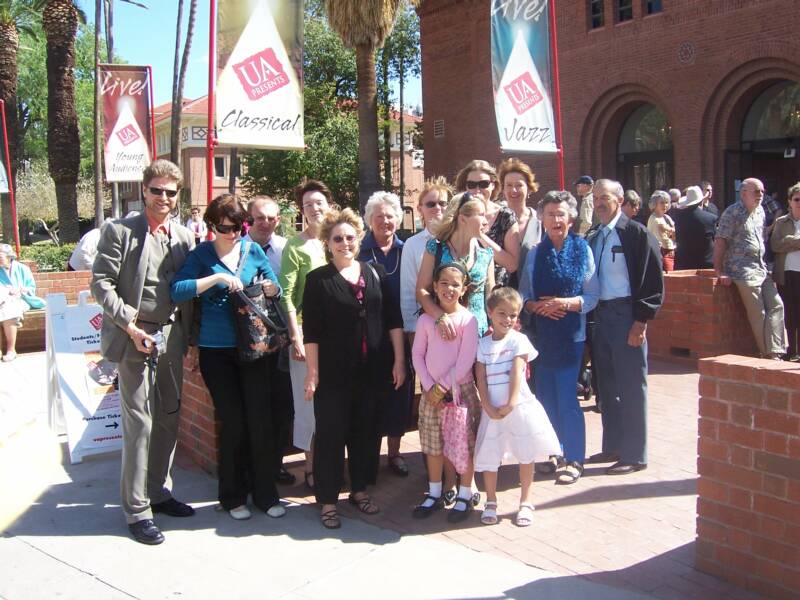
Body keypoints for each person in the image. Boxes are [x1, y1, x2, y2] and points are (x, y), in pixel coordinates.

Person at [91, 159, 196, 545]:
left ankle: (159, 492)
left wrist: (192, 341)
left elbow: (188, 292)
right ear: (144, 190)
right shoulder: (120, 231)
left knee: (169, 417)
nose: (163, 198)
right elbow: (101, 283)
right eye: (157, 190)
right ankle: (137, 510)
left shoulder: (184, 237)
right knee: (140, 422)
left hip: (172, 337)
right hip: (133, 336)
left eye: (171, 192)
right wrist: (131, 326)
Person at [171, 193, 285, 521]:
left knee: (259, 422)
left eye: (239, 226)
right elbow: (177, 290)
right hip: (216, 350)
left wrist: (266, 288)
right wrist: (218, 278)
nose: (233, 233)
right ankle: (232, 495)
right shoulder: (203, 254)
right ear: (211, 226)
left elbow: (276, 288)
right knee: (233, 422)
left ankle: (264, 493)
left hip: (254, 347)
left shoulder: (252, 250)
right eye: (225, 227)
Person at [302, 208, 405, 529]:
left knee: (365, 433)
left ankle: (359, 490)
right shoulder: (318, 280)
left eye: (349, 237)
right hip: (334, 375)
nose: (344, 243)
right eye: (337, 239)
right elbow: (313, 332)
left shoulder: (374, 273)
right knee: (331, 435)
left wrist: (399, 360)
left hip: (372, 371)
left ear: (358, 239)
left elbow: (393, 320)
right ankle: (328, 501)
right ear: (327, 243)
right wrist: (312, 373)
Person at [519, 191, 599, 484]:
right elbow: (524, 294)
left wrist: (564, 303)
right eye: (550, 213)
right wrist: (534, 306)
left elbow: (592, 296)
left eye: (561, 214)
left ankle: (575, 459)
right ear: (542, 217)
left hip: (570, 336)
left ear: (571, 218)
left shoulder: (583, 249)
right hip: (542, 335)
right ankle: (554, 452)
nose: (556, 219)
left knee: (567, 398)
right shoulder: (535, 252)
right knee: (546, 398)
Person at [585, 179, 663, 475]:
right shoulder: (595, 234)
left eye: (604, 197)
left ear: (619, 199)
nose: (599, 203)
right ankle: (613, 446)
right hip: (601, 316)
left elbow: (653, 281)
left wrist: (641, 321)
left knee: (631, 385)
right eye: (595, 198)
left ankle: (635, 454)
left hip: (628, 315)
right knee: (607, 386)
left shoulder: (636, 234)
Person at [474, 287, 560, 526]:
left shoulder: (519, 340)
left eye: (513, 315)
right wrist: (487, 405)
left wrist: (511, 403)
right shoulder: (483, 344)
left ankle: (525, 501)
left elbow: (517, 370)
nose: (508, 319)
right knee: (490, 453)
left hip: (518, 406)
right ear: (490, 313)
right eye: (502, 313)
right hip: (492, 408)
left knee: (525, 452)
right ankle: (490, 500)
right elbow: (480, 376)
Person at [411, 262, 480, 522]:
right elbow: (417, 354)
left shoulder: (468, 320)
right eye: (444, 283)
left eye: (455, 284)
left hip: (458, 392)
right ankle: (435, 491)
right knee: (433, 444)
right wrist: (429, 387)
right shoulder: (426, 320)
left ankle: (464, 493)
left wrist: (442, 387)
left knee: (463, 443)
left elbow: (464, 362)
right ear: (435, 287)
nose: (449, 289)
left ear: (463, 289)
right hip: (431, 395)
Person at [278, 179, 331, 491]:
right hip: (305, 333)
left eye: (319, 203)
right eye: (308, 204)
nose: (314, 209)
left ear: (329, 205)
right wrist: (295, 337)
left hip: (335, 336)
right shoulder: (295, 247)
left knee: (333, 402)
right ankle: (311, 467)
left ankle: (332, 462)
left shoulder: (339, 240)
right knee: (308, 402)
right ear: (302, 211)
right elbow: (285, 295)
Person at [358, 191, 414, 478]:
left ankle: (395, 454)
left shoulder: (409, 250)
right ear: (369, 221)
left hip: (404, 336)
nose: (385, 221)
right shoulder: (359, 251)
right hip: (371, 336)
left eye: (390, 215)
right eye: (378, 216)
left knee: (399, 396)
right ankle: (371, 455)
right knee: (372, 396)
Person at [243, 195, 294, 485]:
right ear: (249, 218)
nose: (266, 223)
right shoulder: (237, 249)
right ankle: (252, 467)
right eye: (260, 217)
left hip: (280, 340)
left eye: (272, 218)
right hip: (247, 341)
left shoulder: (286, 249)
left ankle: (275, 464)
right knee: (253, 406)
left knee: (281, 406)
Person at [714, 178, 785, 359]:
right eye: (756, 192)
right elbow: (721, 241)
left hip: (760, 268)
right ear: (743, 193)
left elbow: (762, 239)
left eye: (762, 191)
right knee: (758, 311)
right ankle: (768, 353)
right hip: (741, 270)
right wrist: (719, 271)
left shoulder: (760, 211)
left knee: (777, 305)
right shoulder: (732, 213)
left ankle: (776, 349)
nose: (761, 195)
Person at [416, 192, 495, 337]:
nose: (486, 221)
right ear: (463, 219)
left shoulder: (486, 253)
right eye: (481, 215)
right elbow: (421, 291)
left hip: (479, 335)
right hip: (445, 333)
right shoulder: (436, 248)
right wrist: (439, 316)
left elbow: (491, 297)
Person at [400, 177, 451, 340]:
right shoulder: (412, 244)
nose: (437, 208)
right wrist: (412, 331)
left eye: (442, 203)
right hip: (425, 325)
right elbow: (408, 291)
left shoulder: (459, 239)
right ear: (420, 208)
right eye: (431, 204)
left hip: (457, 324)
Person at [454, 160, 519, 287]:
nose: (477, 190)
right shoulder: (456, 215)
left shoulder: (505, 216)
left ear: (493, 185)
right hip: (462, 289)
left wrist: (480, 235)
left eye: (483, 184)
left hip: (497, 294)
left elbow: (512, 265)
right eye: (471, 184)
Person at [498, 158, 542, 289]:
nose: (514, 190)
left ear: (529, 188)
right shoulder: (494, 221)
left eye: (519, 185)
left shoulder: (540, 222)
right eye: (509, 185)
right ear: (503, 189)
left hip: (532, 295)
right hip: (500, 297)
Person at [770, 182, 800, 360]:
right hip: (786, 274)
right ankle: (791, 351)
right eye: (797, 199)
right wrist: (796, 240)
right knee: (789, 313)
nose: (799, 202)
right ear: (789, 201)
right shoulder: (781, 222)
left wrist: (788, 242)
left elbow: (782, 244)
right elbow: (775, 245)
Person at [0, 244, 43, 362]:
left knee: (9, 310)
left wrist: (19, 289)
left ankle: (11, 349)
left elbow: (31, 288)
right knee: (3, 308)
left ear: (9, 256)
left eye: (0, 256)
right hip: (1, 301)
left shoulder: (22, 268)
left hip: (22, 300)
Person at [674, 185, 717, 270]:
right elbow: (715, 240)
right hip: (706, 264)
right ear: (701, 201)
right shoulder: (711, 219)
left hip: (684, 264)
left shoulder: (678, 218)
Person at [647, 191, 677, 272]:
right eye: (662, 203)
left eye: (667, 202)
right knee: (669, 279)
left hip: (671, 250)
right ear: (654, 204)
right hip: (662, 253)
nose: (665, 205)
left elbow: (674, 234)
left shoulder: (667, 217)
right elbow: (668, 230)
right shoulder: (654, 219)